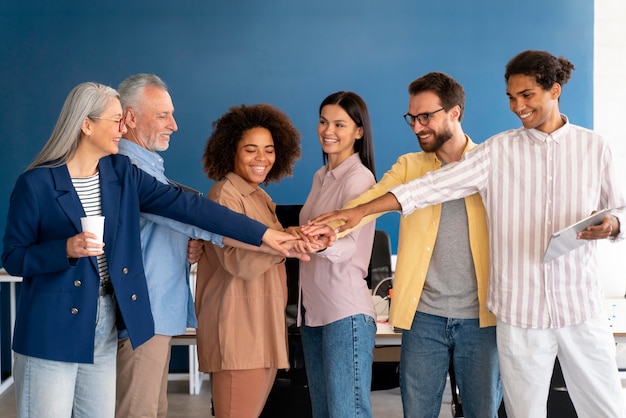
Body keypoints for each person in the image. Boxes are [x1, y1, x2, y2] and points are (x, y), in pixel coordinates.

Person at [308, 50, 626, 417]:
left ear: (554, 91)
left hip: (578, 304)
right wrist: (357, 212)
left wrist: (613, 224)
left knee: (605, 409)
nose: (517, 106)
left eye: (527, 96)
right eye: (511, 97)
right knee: (524, 412)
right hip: (518, 312)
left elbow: (619, 209)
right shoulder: (498, 151)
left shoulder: (594, 146)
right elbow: (430, 187)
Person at [1, 82, 298, 418]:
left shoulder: (121, 174)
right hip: (50, 325)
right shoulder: (37, 183)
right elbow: (14, 257)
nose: (123, 127)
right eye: (116, 121)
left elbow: (190, 208)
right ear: (87, 124)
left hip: (105, 319)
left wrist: (266, 236)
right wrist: (65, 248)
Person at [114, 74, 307, 418]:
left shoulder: (151, 169)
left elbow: (172, 222)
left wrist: (187, 245)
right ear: (129, 118)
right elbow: (194, 215)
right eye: (162, 115)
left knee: (152, 410)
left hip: (160, 313)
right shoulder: (128, 169)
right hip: (153, 312)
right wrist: (279, 242)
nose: (174, 125)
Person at [319, 75, 501, 417]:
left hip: (482, 317)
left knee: (484, 412)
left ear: (454, 113)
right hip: (424, 317)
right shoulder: (409, 166)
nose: (417, 127)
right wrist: (324, 230)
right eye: (411, 118)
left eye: (425, 117)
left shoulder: (491, 163)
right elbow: (367, 203)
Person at [195, 103, 320, 418]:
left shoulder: (259, 196)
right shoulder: (225, 195)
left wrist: (291, 235)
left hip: (261, 326)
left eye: (269, 150)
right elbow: (238, 263)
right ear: (230, 152)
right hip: (239, 329)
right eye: (251, 150)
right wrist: (285, 245)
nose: (262, 158)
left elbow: (266, 243)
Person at [297, 91, 377, 418]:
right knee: (325, 412)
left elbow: (346, 244)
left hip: (345, 314)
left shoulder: (359, 178)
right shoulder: (321, 177)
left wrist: (324, 240)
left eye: (340, 124)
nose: (328, 130)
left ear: (359, 131)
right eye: (323, 121)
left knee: (347, 413)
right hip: (313, 312)